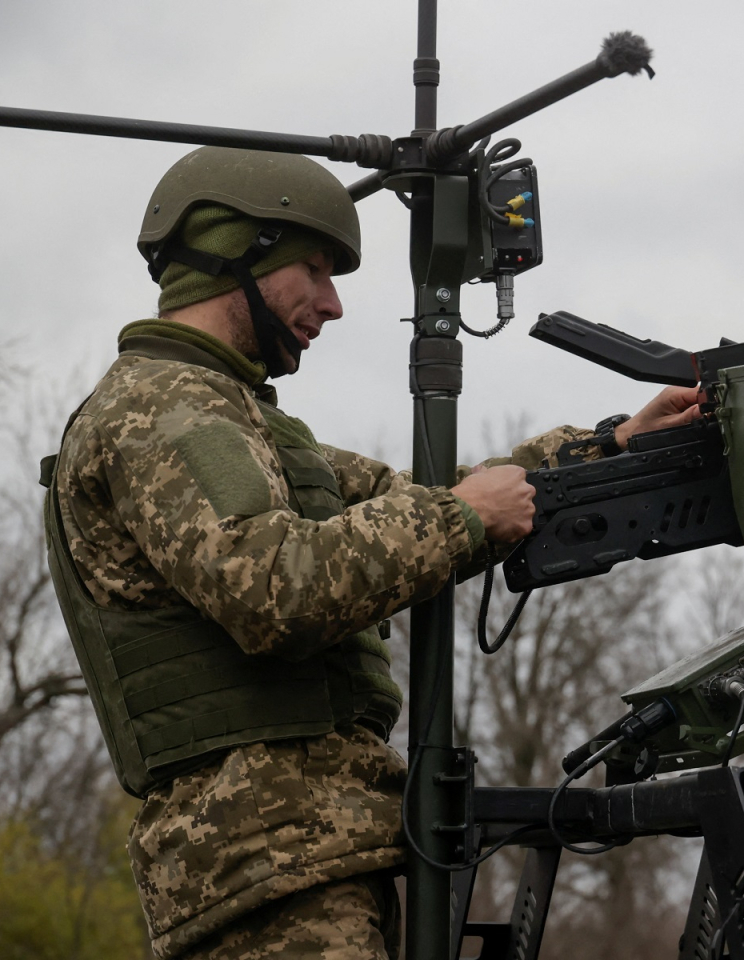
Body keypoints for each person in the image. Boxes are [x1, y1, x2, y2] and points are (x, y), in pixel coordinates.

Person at [41, 146, 700, 960]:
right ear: (237, 257)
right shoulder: (164, 410)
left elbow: (415, 498)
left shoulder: (237, 418)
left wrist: (614, 446)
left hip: (309, 851)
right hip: (263, 863)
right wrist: (462, 520)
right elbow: (276, 590)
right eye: (314, 271)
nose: (334, 304)